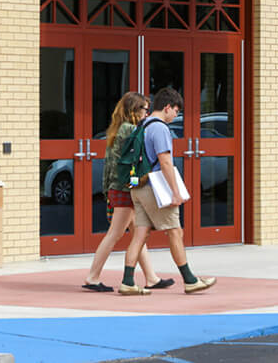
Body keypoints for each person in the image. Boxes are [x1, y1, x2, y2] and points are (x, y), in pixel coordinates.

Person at [119, 87, 216, 295]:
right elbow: (165, 161)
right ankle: (190, 280)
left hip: (138, 186)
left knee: (140, 234)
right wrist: (175, 192)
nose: (176, 116)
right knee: (175, 231)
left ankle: (128, 281)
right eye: (176, 111)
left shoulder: (142, 124)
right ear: (167, 107)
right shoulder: (160, 128)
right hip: (156, 187)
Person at [82, 92, 173, 292]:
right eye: (145, 109)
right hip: (124, 190)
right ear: (135, 110)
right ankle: (93, 276)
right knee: (115, 234)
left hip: (118, 187)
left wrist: (108, 189)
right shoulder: (131, 130)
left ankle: (151, 278)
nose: (147, 113)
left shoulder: (118, 129)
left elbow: (111, 165)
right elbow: (136, 162)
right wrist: (138, 183)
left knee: (138, 234)